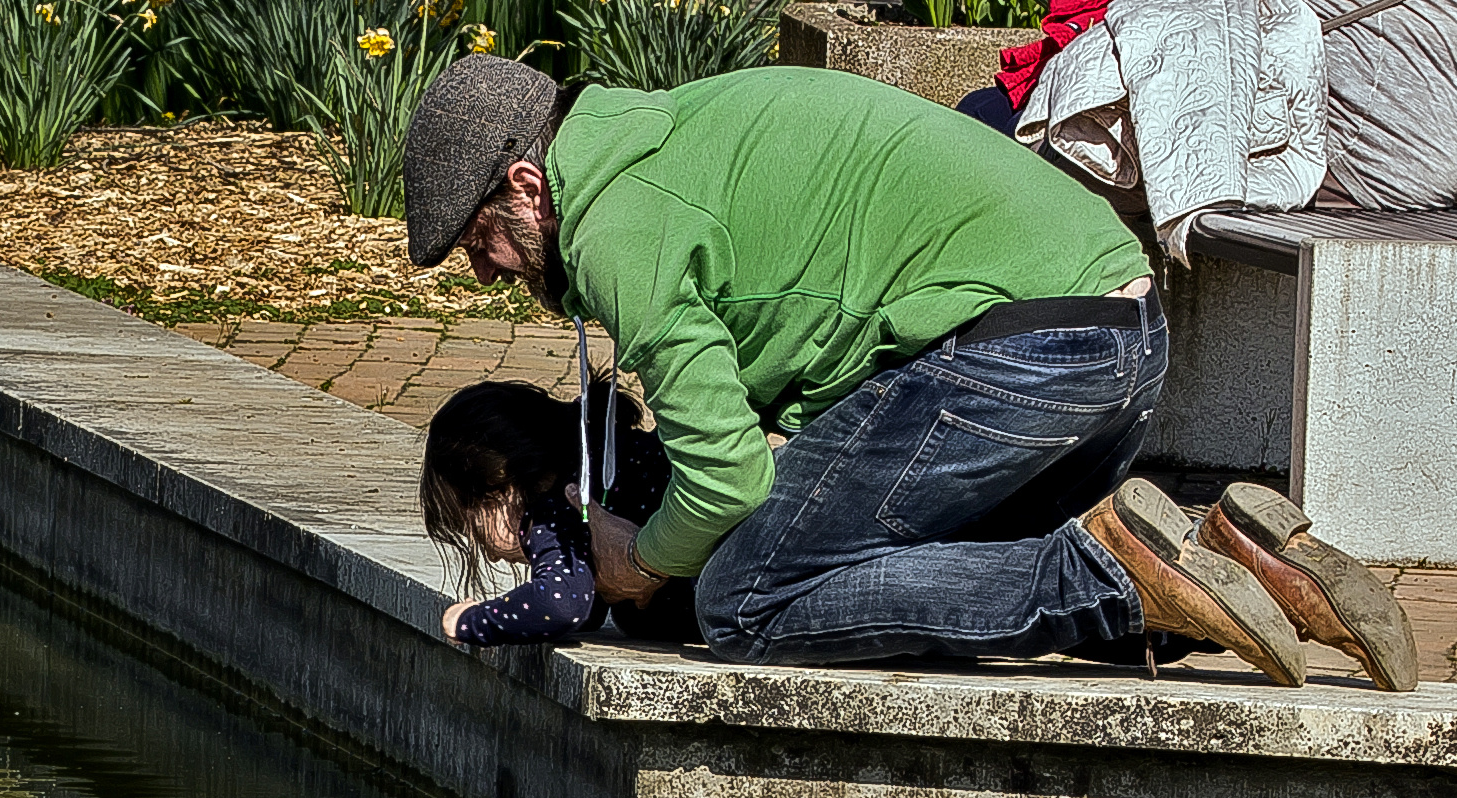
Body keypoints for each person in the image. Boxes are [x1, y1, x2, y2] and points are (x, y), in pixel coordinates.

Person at [401, 56, 1418, 690]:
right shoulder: (681, 135)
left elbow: (727, 480)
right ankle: (1230, 554)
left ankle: (1109, 576)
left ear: (526, 183)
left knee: (749, 599)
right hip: (1123, 334)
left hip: (1023, 354)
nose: (487, 267)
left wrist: (641, 559)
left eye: (479, 238)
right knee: (922, 571)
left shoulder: (621, 226)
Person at [421, 377, 700, 646]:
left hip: (713, 590)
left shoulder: (554, 507)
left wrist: (470, 621)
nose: (492, 557)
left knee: (640, 617)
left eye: (472, 528)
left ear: (498, 489)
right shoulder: (597, 458)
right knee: (633, 617)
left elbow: (560, 606)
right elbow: (584, 607)